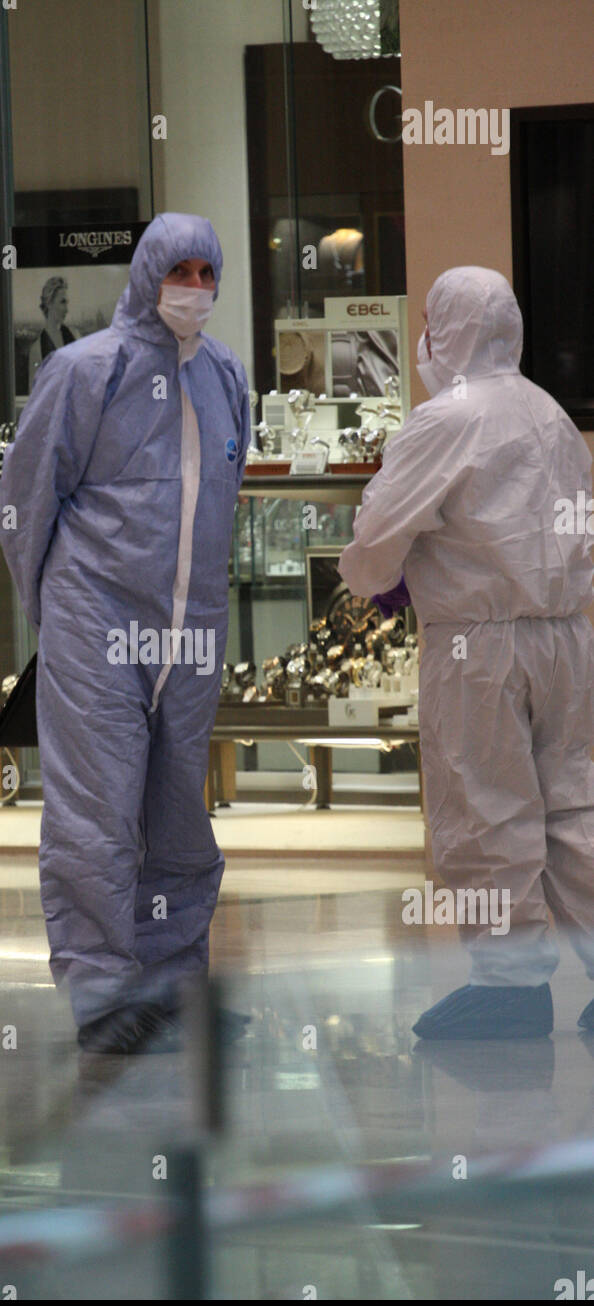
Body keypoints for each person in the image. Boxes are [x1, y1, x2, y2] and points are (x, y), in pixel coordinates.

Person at [0, 213, 251, 1053]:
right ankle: (103, 1001)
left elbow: (220, 498)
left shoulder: (225, 377)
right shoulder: (84, 371)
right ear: (147, 274)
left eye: (207, 273)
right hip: (96, 622)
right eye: (180, 271)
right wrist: (56, 613)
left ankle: (172, 983)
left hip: (189, 630)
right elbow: (26, 503)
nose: (196, 289)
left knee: (179, 811)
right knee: (96, 817)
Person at [339, 266, 594, 1040]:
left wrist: (371, 578)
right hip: (567, 637)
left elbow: (379, 534)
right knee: (575, 805)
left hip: (476, 648)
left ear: (446, 328)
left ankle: (510, 987)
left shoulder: (445, 418)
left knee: (486, 806)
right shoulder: (549, 413)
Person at [26, 276, 79, 392]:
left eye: (67, 303)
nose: (67, 309)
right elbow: (34, 395)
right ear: (49, 303)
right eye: (62, 302)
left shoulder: (75, 336)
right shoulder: (37, 350)